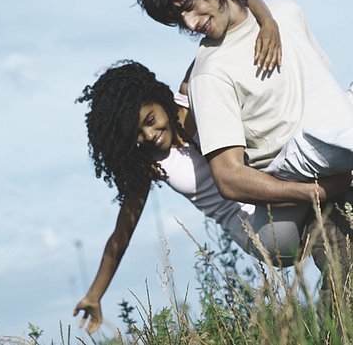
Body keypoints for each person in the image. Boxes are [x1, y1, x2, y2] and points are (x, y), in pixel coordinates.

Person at [132, 0, 353, 313]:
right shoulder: (209, 74)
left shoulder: (284, 12)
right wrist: (314, 193)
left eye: (187, 5)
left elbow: (322, 88)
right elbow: (229, 177)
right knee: (346, 298)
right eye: (176, 17)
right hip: (323, 190)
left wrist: (264, 17)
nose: (188, 22)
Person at [72, 60, 352, 334]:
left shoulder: (194, 99)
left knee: (335, 235)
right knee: (323, 165)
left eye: (150, 121)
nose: (150, 135)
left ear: (159, 98)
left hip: (284, 200)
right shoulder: (150, 164)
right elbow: (120, 237)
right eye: (137, 134)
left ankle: (337, 321)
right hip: (263, 232)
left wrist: (265, 19)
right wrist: (94, 295)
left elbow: (215, 44)